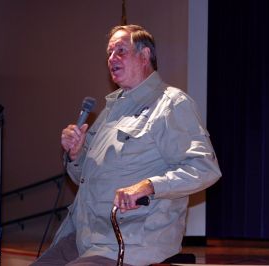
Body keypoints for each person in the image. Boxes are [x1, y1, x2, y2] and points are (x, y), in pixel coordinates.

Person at [32, 24, 221, 266]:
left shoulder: (170, 104)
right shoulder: (110, 111)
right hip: (84, 237)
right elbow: (84, 177)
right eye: (109, 53)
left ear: (145, 56)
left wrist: (149, 185)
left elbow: (204, 168)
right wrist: (77, 154)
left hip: (131, 240)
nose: (112, 58)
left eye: (120, 50)